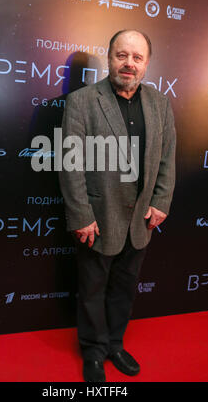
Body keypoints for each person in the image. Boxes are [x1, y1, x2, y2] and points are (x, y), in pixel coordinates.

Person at [59, 29, 176, 382]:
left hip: (141, 220)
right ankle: (93, 352)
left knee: (124, 289)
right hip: (98, 218)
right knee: (92, 290)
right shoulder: (82, 101)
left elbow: (168, 157)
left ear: (146, 64)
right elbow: (71, 164)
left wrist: (161, 202)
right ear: (109, 58)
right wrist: (81, 215)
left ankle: (114, 344)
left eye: (137, 58)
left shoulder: (160, 102)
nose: (129, 64)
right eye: (122, 55)